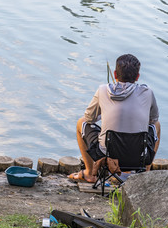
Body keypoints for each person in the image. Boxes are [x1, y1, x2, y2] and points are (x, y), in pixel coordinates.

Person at [68, 54, 161, 182]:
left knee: (81, 122)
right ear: (138, 77)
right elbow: (153, 119)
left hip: (107, 155)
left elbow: (89, 118)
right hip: (138, 156)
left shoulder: (103, 90)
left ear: (115, 74)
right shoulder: (148, 92)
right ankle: (145, 174)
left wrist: (104, 112)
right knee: (157, 125)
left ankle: (89, 173)